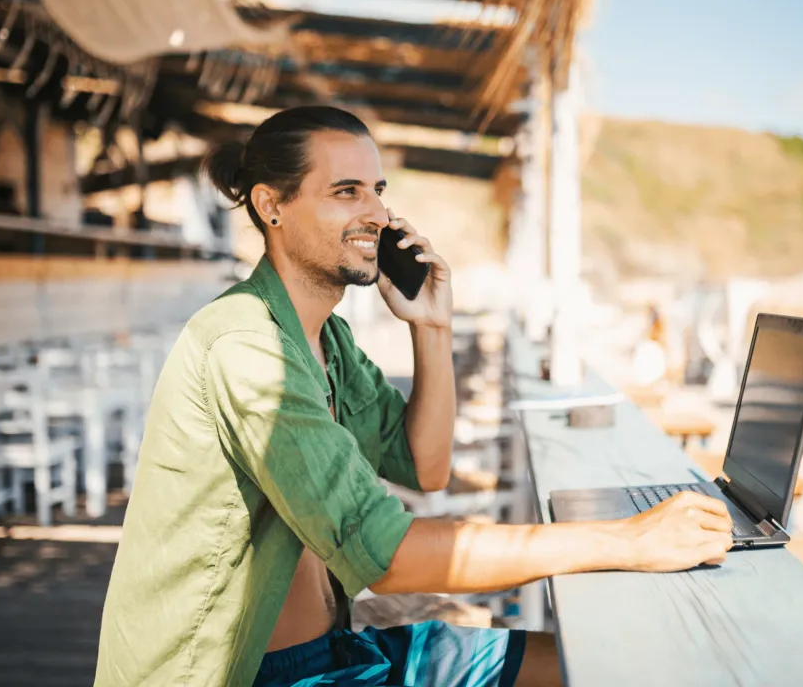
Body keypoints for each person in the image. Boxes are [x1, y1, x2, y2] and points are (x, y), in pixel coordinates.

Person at [93, 106, 734, 687]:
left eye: (377, 191)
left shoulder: (328, 340)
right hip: (246, 675)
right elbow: (388, 557)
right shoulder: (247, 346)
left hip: (338, 648)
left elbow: (424, 467)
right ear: (271, 206)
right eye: (346, 192)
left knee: (588, 668)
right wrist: (625, 542)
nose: (375, 212)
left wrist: (431, 327)